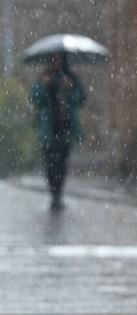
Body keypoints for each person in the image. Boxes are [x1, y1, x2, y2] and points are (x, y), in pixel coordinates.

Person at [31, 52, 86, 212]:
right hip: (48, 129)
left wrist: (69, 88)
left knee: (61, 163)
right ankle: (53, 194)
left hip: (65, 129)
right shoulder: (43, 78)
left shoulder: (71, 78)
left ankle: (59, 194)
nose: (56, 62)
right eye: (53, 59)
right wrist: (44, 86)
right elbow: (35, 98)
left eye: (59, 59)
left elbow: (81, 98)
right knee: (50, 163)